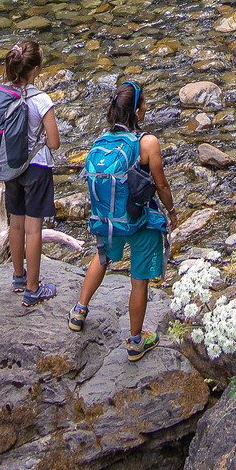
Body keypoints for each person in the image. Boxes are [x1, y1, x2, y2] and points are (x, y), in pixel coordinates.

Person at [68, 78, 178, 358]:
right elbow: (162, 185)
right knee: (138, 280)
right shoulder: (148, 143)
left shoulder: (100, 142)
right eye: (144, 106)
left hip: (108, 222)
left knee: (102, 258)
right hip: (139, 221)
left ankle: (79, 311)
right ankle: (135, 341)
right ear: (138, 112)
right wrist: (173, 212)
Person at [2, 38, 62, 310]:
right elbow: (54, 142)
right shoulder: (42, 100)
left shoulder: (6, 96)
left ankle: (18, 277)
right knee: (34, 229)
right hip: (37, 168)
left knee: (15, 223)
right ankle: (33, 289)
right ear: (37, 68)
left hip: (12, 166)